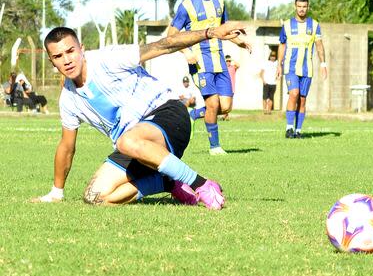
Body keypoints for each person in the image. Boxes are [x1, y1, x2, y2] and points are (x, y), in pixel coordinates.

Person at [32, 21, 248, 208]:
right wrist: (56, 192)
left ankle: (201, 184)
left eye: (70, 51)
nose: (67, 60)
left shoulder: (108, 59)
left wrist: (211, 33)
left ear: (82, 48)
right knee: (94, 196)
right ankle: (168, 182)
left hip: (167, 114)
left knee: (126, 141)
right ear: (52, 62)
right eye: (58, 56)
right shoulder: (68, 99)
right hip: (134, 145)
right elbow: (67, 146)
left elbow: (164, 45)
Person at [167, 0, 251, 155]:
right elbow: (171, 35)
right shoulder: (187, 5)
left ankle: (194, 114)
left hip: (219, 60)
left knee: (226, 107)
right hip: (200, 63)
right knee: (212, 103)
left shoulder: (220, 1)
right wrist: (187, 52)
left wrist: (240, 42)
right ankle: (215, 147)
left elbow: (225, 29)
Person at [276, 0, 327, 138]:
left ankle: (298, 131)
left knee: (302, 99)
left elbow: (319, 46)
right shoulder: (286, 25)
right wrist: (279, 64)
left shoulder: (314, 25)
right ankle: (289, 128)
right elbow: (282, 45)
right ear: (295, 7)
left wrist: (323, 64)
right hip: (290, 68)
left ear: (308, 7)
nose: (302, 9)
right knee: (294, 94)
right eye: (299, 6)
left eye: (304, 6)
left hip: (307, 68)